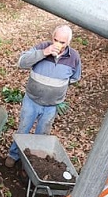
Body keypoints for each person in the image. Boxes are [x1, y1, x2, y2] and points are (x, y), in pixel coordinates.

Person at [5, 24, 81, 167]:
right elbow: (22, 62)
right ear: (52, 37)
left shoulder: (74, 57)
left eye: (62, 42)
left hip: (51, 105)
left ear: (69, 43)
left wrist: (57, 87)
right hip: (32, 100)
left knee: (42, 135)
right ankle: (13, 155)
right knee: (23, 129)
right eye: (55, 39)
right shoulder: (42, 47)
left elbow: (75, 77)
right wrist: (44, 53)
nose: (58, 44)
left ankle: (32, 163)